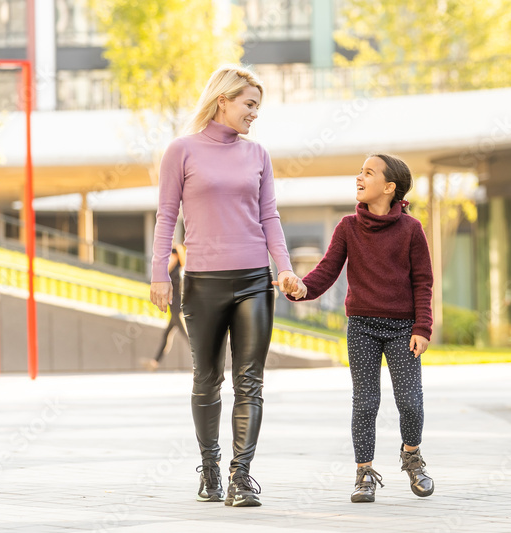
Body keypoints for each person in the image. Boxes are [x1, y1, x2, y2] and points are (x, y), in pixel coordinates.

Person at [149, 64, 302, 507]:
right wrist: (159, 272)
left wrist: (285, 268)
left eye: (258, 106)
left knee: (250, 381)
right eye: (249, 104)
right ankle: (211, 467)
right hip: (202, 283)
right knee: (207, 378)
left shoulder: (258, 155)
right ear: (224, 100)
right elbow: (166, 215)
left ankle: (241, 476)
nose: (255, 113)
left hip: (254, 280)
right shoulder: (182, 151)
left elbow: (269, 216)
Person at [283, 153, 435, 503]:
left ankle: (411, 456)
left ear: (389, 186)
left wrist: (422, 327)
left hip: (402, 328)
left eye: (368, 173)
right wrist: (302, 288)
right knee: (365, 403)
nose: (359, 178)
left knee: (410, 403)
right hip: (362, 327)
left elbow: (423, 282)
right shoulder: (348, 227)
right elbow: (325, 271)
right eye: (360, 172)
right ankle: (364, 473)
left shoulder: (411, 230)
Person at [146, 244, 187, 371]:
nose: (169, 258)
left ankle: (203, 362)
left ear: (175, 256)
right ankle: (155, 363)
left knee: (187, 336)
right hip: (174, 307)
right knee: (167, 334)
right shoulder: (179, 270)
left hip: (176, 307)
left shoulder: (176, 271)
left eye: (171, 255)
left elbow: (164, 276)